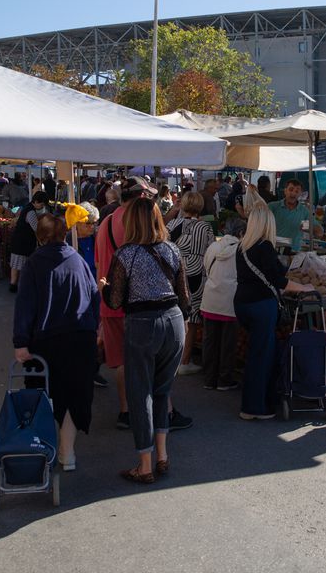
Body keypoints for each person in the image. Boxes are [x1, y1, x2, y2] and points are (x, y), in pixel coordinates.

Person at [104, 198, 188, 483]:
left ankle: (145, 464)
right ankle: (163, 455)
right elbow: (185, 296)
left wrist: (104, 288)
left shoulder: (126, 255)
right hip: (174, 322)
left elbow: (114, 302)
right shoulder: (173, 250)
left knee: (141, 396)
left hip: (142, 324)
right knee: (163, 391)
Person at [13, 213, 101, 471]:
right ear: (64, 234)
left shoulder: (33, 263)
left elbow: (25, 306)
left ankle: (45, 445)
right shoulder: (78, 260)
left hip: (47, 340)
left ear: (40, 236)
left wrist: (21, 342)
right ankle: (68, 452)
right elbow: (94, 296)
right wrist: (95, 329)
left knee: (45, 393)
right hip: (80, 338)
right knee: (75, 394)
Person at [234, 202, 315, 419]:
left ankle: (254, 404)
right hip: (261, 306)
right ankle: (254, 408)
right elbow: (278, 280)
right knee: (262, 357)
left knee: (256, 354)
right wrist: (304, 287)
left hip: (242, 304)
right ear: (268, 224)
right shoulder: (264, 247)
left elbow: (273, 273)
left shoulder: (241, 247)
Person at [166, 191, 215, 375]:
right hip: (195, 272)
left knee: (174, 314)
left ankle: (171, 357)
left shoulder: (172, 224)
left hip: (174, 271)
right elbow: (211, 251)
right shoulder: (205, 227)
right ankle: (185, 361)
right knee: (192, 317)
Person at [201, 229, 241, 391]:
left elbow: (206, 267)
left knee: (210, 341)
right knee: (227, 343)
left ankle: (209, 379)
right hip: (230, 301)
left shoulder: (213, 247)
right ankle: (225, 379)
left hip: (210, 298)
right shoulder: (240, 250)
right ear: (242, 232)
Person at [8, 191, 50, 293]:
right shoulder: (30, 212)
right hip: (23, 242)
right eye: (41, 204)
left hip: (19, 241)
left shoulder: (27, 208)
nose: (41, 206)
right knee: (22, 266)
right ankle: (22, 286)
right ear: (35, 201)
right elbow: (36, 227)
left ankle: (13, 285)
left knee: (15, 265)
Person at [268, 178, 311, 251]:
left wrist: (307, 227)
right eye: (291, 190)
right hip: (273, 250)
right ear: (285, 191)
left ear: (300, 193)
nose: (293, 193)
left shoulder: (304, 211)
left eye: (297, 191)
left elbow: (306, 228)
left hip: (294, 253)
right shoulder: (272, 207)